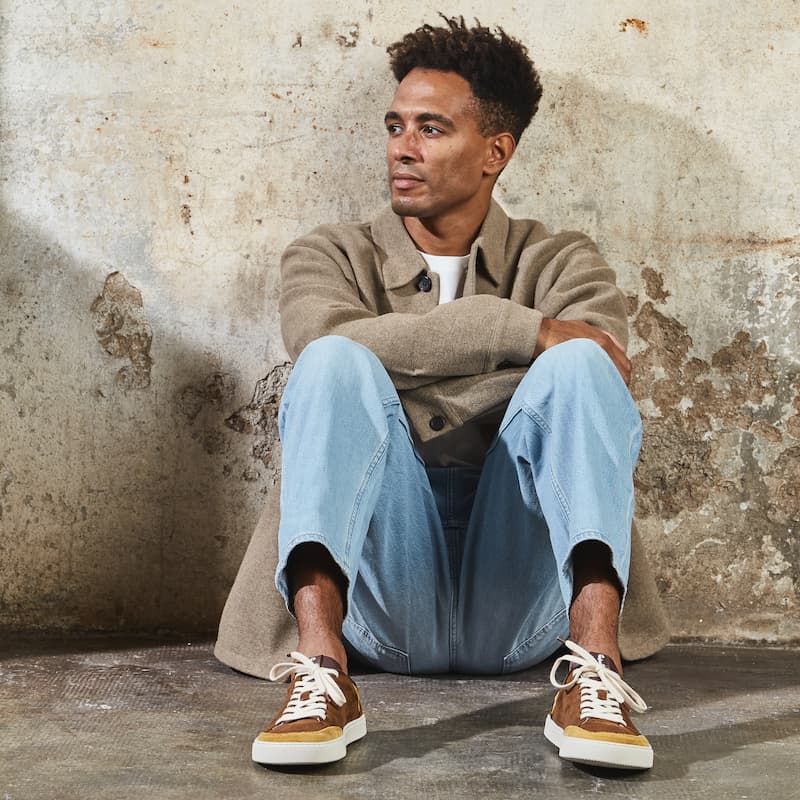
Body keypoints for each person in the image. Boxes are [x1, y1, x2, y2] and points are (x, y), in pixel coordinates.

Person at [217, 15, 669, 771]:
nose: (402, 145)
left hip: (526, 608)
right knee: (332, 365)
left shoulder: (561, 261)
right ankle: (323, 675)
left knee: (580, 370)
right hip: (378, 600)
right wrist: (521, 340)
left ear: (497, 151)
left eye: (431, 128)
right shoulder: (330, 254)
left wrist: (406, 376)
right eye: (396, 125)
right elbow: (330, 344)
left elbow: (599, 374)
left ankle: (596, 673)